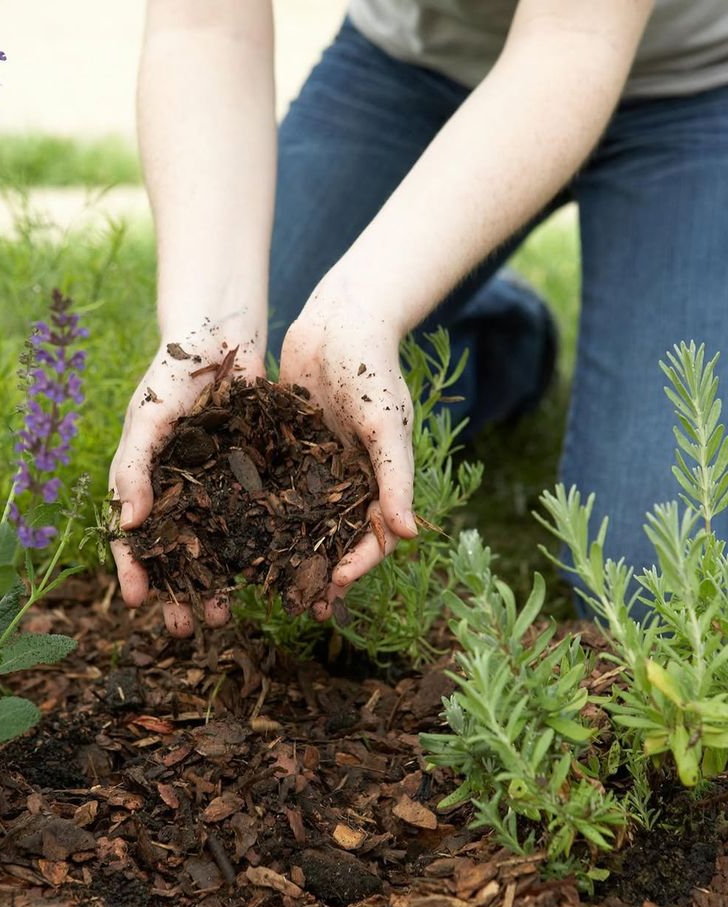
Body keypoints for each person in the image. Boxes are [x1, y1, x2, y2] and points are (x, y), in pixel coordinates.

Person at [110, 0, 728, 636]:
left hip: (690, 88)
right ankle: (499, 340)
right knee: (292, 357)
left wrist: (367, 303)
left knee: (659, 587)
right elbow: (205, 25)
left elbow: (573, 37)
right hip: (417, 69)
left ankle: (440, 305)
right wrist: (208, 326)